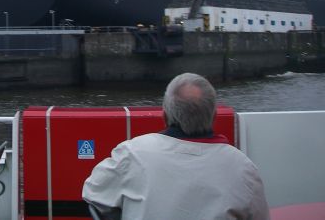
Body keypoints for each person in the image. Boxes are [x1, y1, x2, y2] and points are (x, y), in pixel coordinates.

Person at [82, 72, 270, 220]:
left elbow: (93, 194)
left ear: (164, 116)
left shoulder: (133, 153)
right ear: (213, 117)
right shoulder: (243, 168)